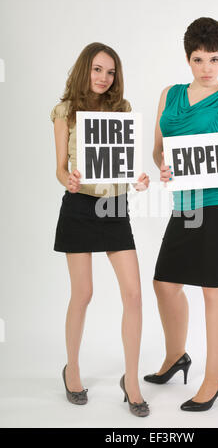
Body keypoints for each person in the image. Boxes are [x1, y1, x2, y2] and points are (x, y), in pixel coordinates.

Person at [144, 17, 218, 412]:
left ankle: (215, 376)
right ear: (187, 59)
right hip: (187, 204)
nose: (207, 68)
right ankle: (177, 356)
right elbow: (159, 149)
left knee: (216, 290)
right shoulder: (169, 95)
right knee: (164, 283)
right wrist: (162, 165)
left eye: (214, 59)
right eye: (199, 59)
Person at [51, 42, 150, 417]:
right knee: (83, 293)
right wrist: (69, 180)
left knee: (134, 295)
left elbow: (126, 164)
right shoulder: (64, 111)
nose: (103, 78)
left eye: (110, 72)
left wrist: (137, 179)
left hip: (114, 206)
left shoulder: (121, 109)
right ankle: (72, 370)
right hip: (78, 207)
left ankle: (132, 380)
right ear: (84, 70)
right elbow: (60, 168)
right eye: (97, 69)